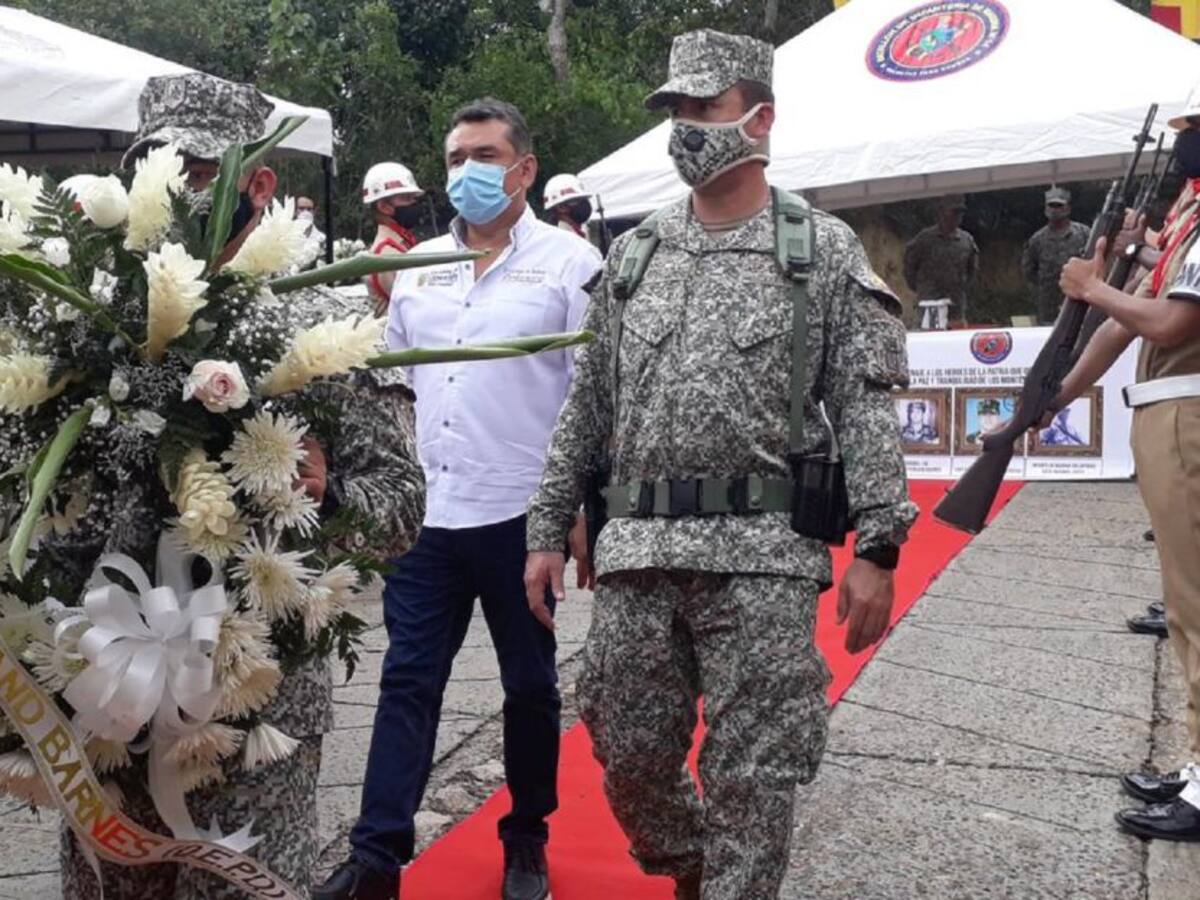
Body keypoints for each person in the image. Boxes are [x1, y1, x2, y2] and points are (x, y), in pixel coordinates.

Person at [524, 29, 916, 900]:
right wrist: (547, 526)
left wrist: (881, 548)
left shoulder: (818, 248)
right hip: (639, 553)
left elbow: (861, 404)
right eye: (676, 111)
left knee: (755, 772)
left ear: (759, 117)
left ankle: (737, 883)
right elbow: (588, 405)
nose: (686, 129)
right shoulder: (635, 254)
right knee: (625, 752)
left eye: (704, 108)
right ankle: (698, 868)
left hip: (764, 555)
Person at [57, 72, 426, 899]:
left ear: (259, 184)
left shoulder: (319, 326)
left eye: (197, 170)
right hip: (106, 699)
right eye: (157, 168)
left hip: (257, 705)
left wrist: (326, 494)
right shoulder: (94, 319)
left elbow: (403, 506)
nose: (178, 190)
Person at [317, 98, 602, 900]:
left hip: (523, 517)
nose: (466, 172)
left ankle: (526, 838)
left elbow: (590, 396)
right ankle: (377, 855)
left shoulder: (571, 266)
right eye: (455, 158)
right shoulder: (419, 267)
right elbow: (393, 387)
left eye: (483, 155)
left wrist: (577, 507)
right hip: (427, 518)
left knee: (528, 686)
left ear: (523, 169)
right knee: (407, 680)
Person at [1054, 85, 1200, 843]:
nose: (1186, 147)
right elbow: (1129, 320)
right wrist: (1058, 393)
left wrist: (1095, 285)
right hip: (1171, 412)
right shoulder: (1190, 221)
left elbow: (1173, 320)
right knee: (1185, 606)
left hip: (1191, 418)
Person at [904, 194, 979, 330]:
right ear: (941, 212)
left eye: (960, 213)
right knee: (931, 342)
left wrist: (960, 288)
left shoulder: (966, 241)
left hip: (955, 307)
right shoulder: (925, 239)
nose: (958, 216)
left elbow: (972, 271)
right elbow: (909, 268)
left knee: (957, 344)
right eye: (954, 212)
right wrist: (923, 289)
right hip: (930, 304)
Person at [362, 161, 425, 315]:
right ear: (384, 206)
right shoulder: (387, 253)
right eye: (407, 198)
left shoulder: (400, 243)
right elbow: (419, 306)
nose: (414, 203)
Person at [1021, 187, 1090, 325]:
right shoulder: (1037, 239)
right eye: (1051, 206)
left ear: (1068, 208)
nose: (1054, 210)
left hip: (1078, 298)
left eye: (1059, 206)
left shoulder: (1083, 233)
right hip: (1048, 304)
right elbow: (1029, 271)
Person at [543, 173, 594, 240]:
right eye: (577, 200)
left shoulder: (580, 232)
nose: (584, 204)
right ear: (561, 207)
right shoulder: (558, 239)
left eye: (584, 199)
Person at [293, 194, 326, 270]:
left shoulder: (322, 239)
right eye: (301, 208)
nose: (305, 212)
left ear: (313, 212)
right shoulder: (286, 235)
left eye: (309, 209)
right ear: (295, 211)